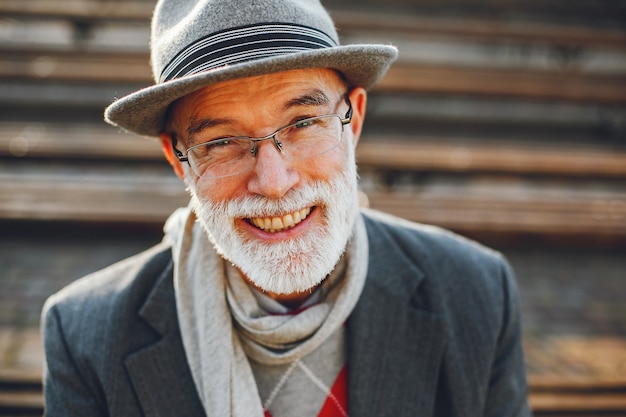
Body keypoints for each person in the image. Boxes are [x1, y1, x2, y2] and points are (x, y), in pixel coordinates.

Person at [41, 0, 532, 416]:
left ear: (352, 120)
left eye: (302, 123)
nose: (273, 183)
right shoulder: (85, 336)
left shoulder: (477, 292)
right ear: (179, 159)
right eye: (223, 141)